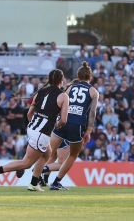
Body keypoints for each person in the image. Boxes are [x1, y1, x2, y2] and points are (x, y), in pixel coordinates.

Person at [0, 69, 68, 191]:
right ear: (62, 80)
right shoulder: (63, 96)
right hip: (42, 132)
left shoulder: (40, 92)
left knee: (47, 154)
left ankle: (34, 183)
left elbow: (29, 113)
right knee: (27, 163)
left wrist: (34, 126)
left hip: (33, 127)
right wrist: (55, 125)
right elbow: (64, 120)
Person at [37, 62, 99, 191]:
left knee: (48, 152)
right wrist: (89, 130)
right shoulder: (93, 91)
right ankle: (55, 181)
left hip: (62, 122)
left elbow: (60, 101)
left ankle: (38, 175)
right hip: (77, 125)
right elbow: (92, 112)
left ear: (78, 75)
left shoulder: (70, 87)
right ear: (90, 77)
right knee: (72, 155)